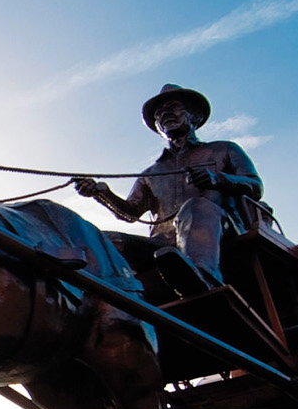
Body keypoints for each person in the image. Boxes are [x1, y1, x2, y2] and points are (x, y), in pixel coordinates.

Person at [74, 84, 262, 290]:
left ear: (195, 116)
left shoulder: (224, 149)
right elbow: (130, 213)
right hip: (164, 248)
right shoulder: (150, 173)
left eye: (174, 107)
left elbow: (255, 186)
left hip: (219, 235)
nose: (165, 114)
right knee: (102, 241)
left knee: (196, 206)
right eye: (159, 114)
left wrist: (217, 179)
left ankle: (202, 276)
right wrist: (101, 193)